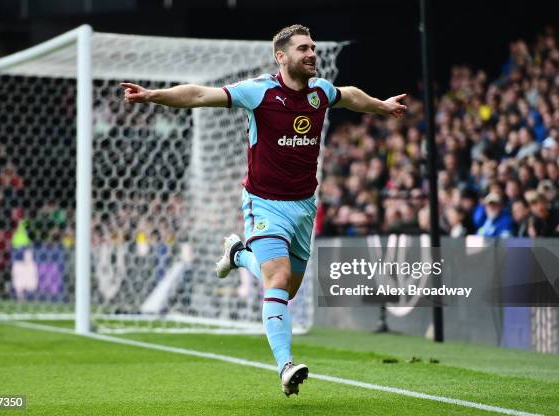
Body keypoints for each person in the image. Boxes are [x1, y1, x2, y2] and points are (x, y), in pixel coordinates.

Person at [120, 24, 406, 396]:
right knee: (277, 278)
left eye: (313, 47)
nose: (312, 54)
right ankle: (285, 366)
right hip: (264, 203)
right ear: (281, 57)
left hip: (304, 206)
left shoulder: (320, 92)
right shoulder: (260, 91)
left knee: (285, 291)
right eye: (303, 48)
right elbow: (199, 94)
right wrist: (154, 95)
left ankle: (238, 255)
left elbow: (349, 95)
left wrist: (381, 106)